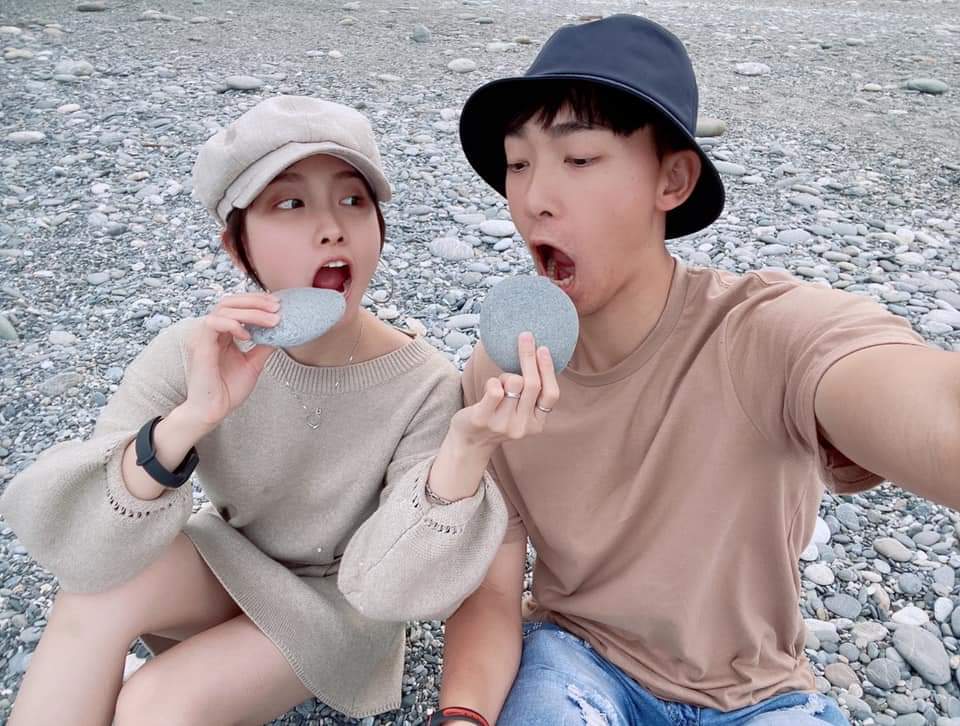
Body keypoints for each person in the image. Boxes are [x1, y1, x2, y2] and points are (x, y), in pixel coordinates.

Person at [433, 15, 959, 726]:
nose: (532, 199)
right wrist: (463, 717)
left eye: (578, 159)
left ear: (673, 179)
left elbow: (922, 402)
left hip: (759, 695)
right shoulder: (502, 369)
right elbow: (494, 588)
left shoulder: (760, 332)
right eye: (518, 163)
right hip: (578, 660)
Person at [0, 95, 559, 726]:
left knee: (157, 702)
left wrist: (464, 452)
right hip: (230, 565)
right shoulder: (197, 351)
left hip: (339, 609)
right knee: (90, 598)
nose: (332, 227)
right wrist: (192, 418)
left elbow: (398, 588)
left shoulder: (424, 383)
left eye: (353, 200)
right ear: (237, 246)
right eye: (290, 204)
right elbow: (73, 540)